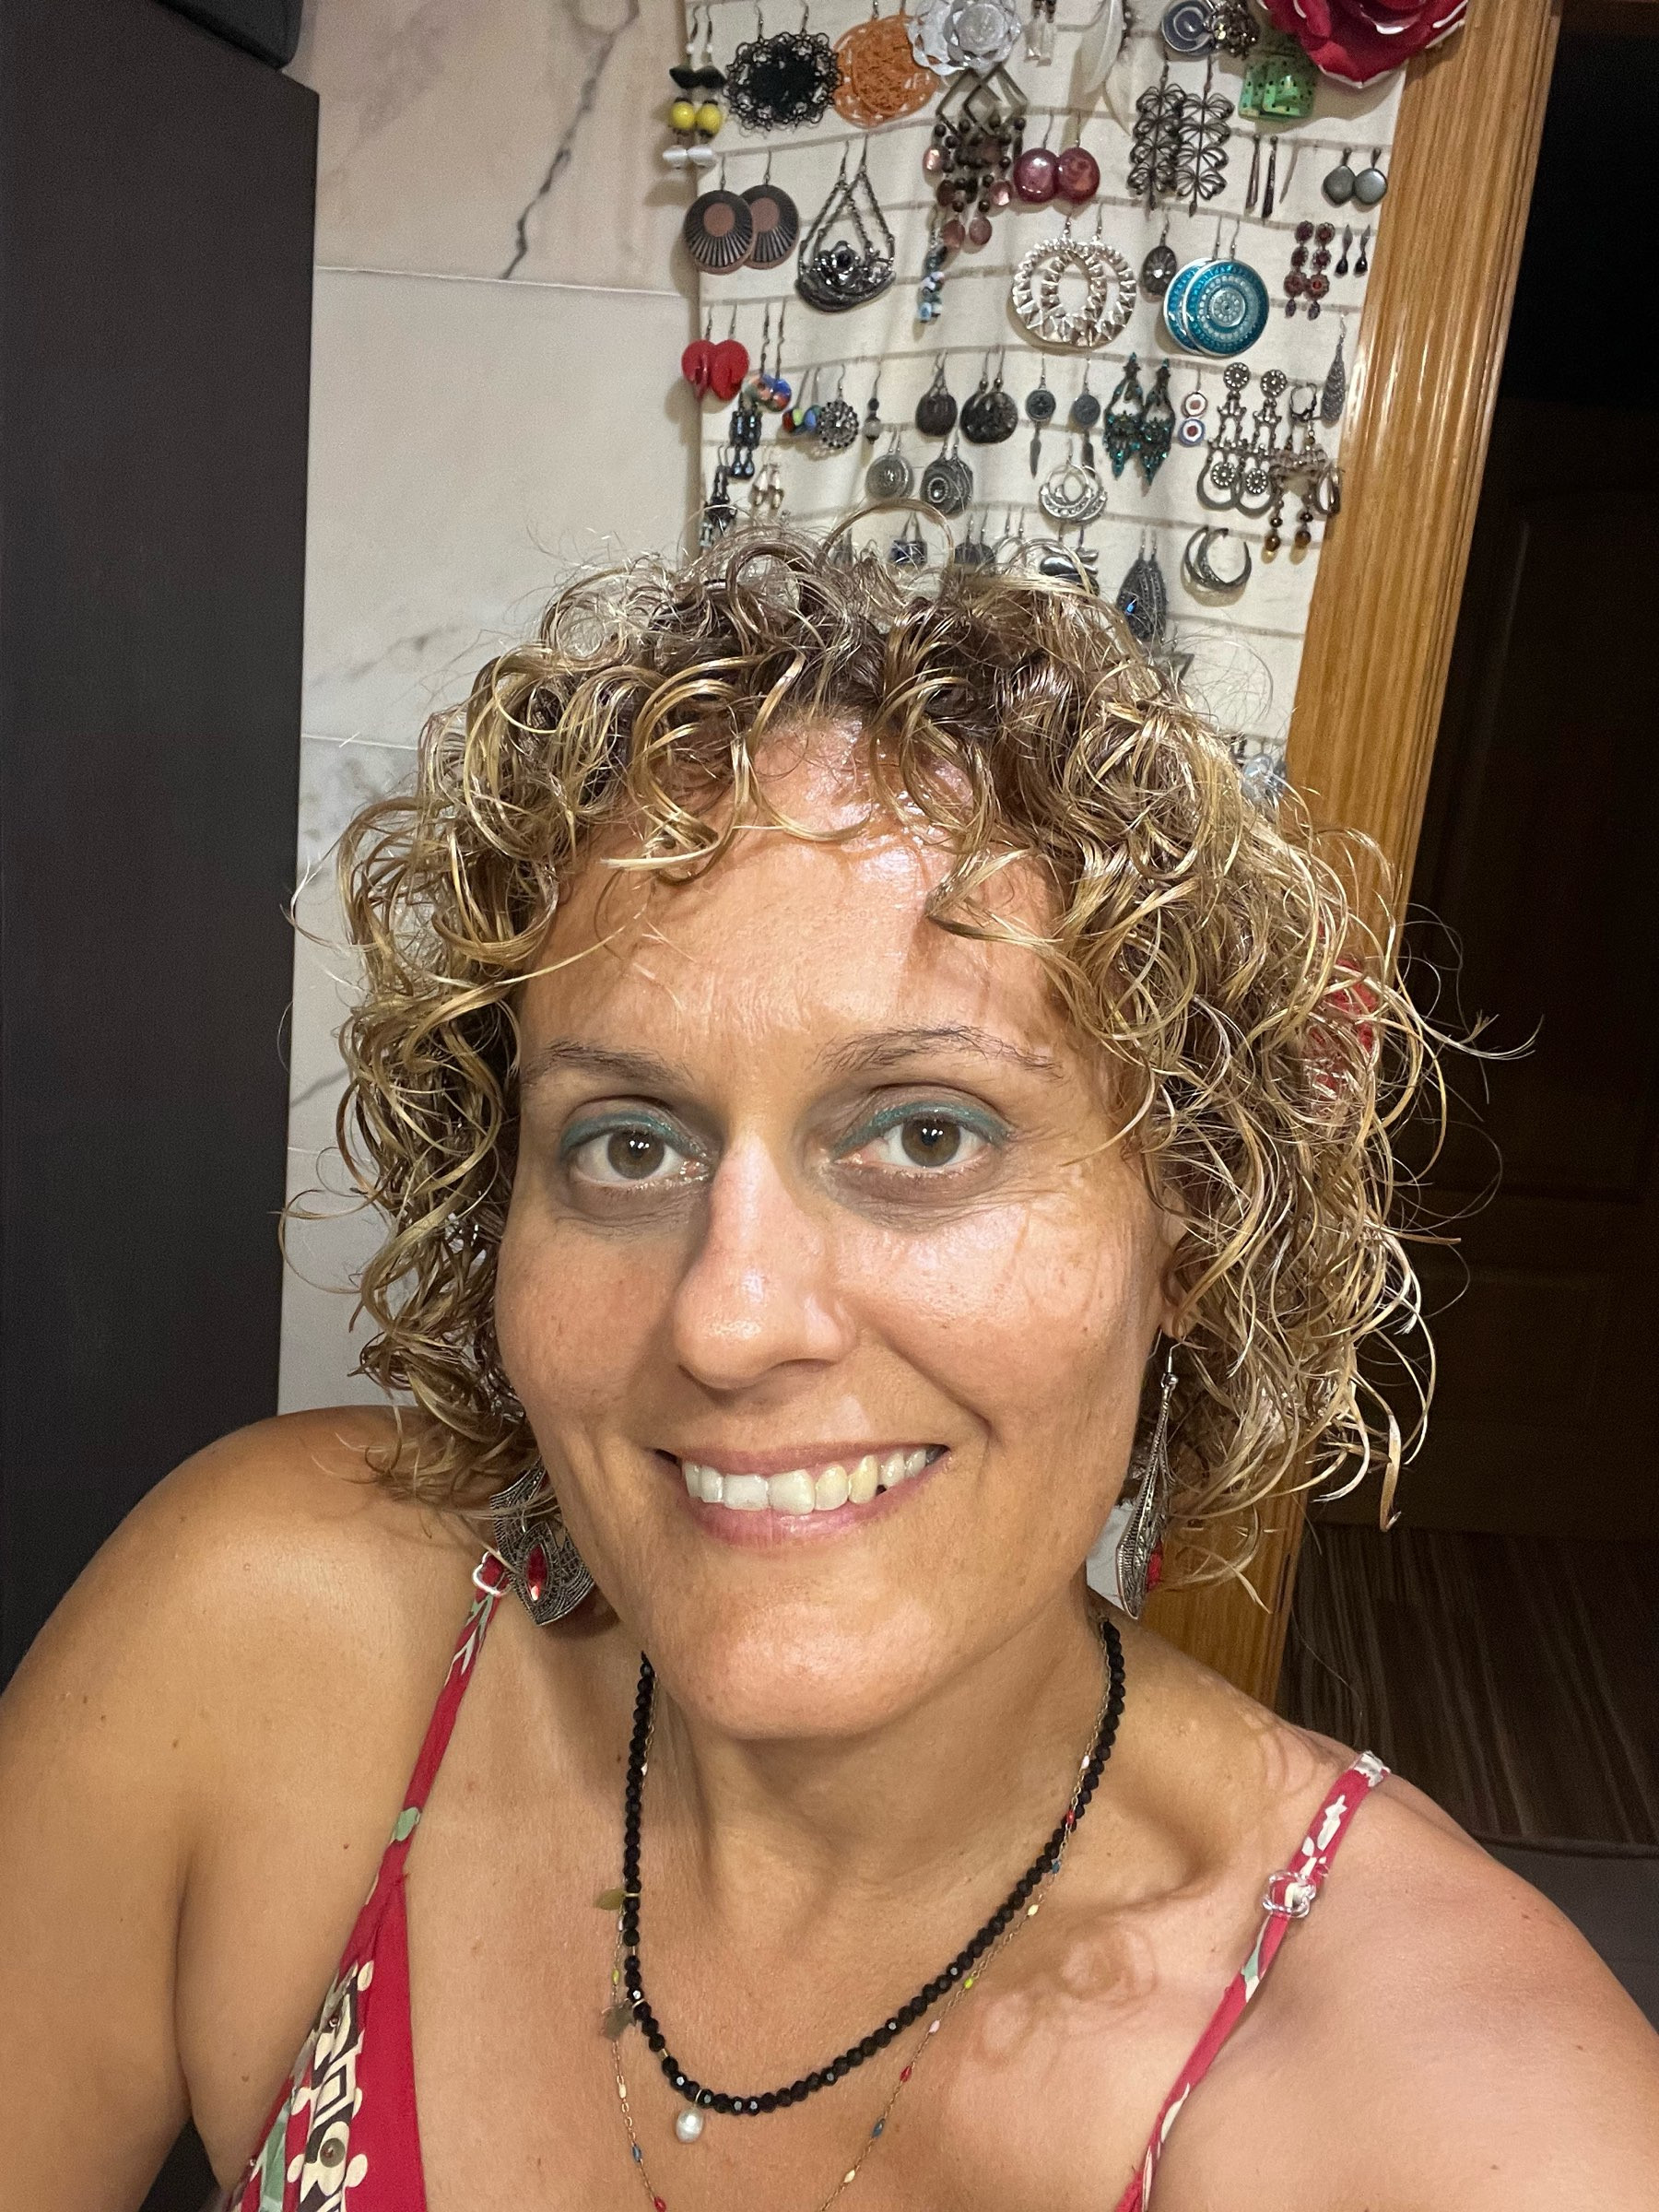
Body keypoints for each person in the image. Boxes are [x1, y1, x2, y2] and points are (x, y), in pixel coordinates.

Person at [2, 536, 1655, 2212]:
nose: (729, 1323)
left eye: (927, 1135)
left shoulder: (1462, 2130)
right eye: (628, 1143)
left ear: (1192, 1228)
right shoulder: (269, 1649)